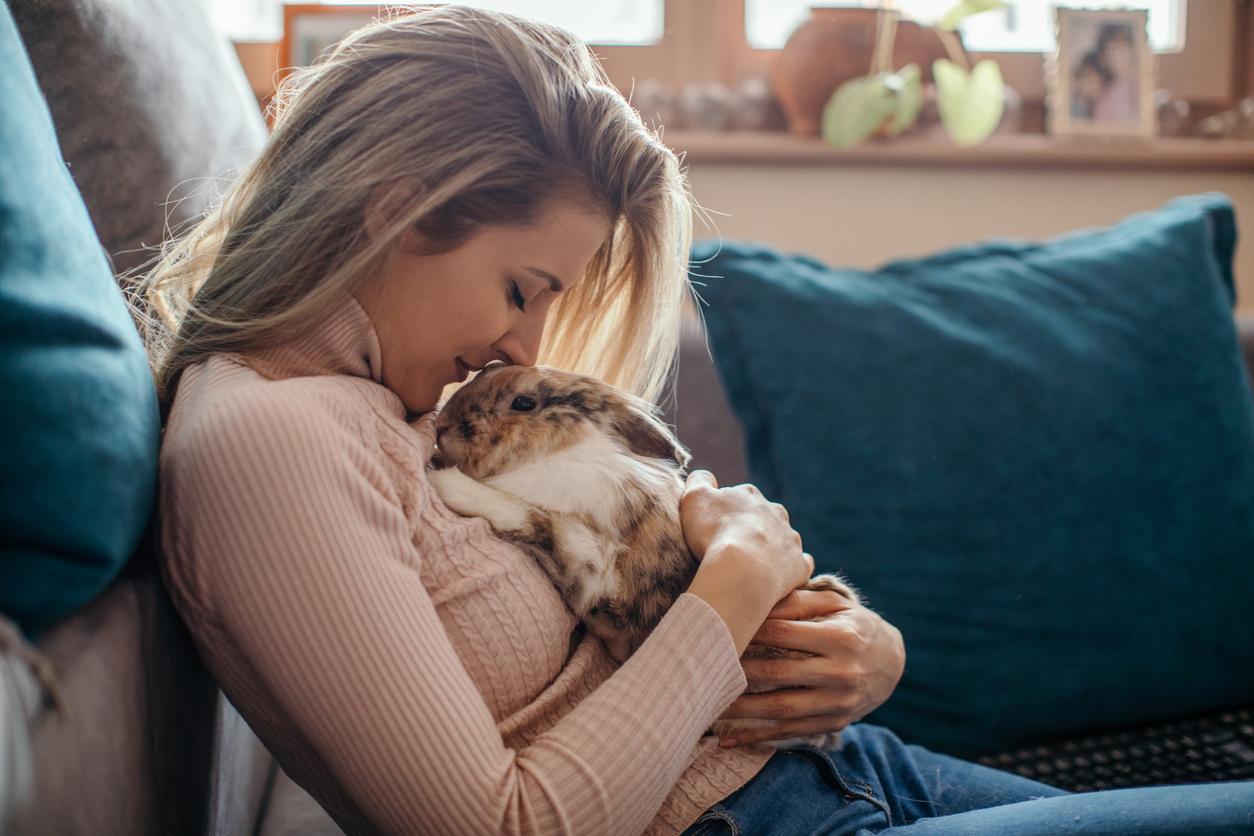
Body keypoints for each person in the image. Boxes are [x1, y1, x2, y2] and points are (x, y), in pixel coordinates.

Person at [140, 6, 1254, 835]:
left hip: (846, 771)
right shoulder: (267, 439)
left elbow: (649, 595)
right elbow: (501, 826)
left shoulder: (401, 402)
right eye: (523, 287)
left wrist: (860, 653)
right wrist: (728, 599)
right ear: (396, 206)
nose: (526, 346)